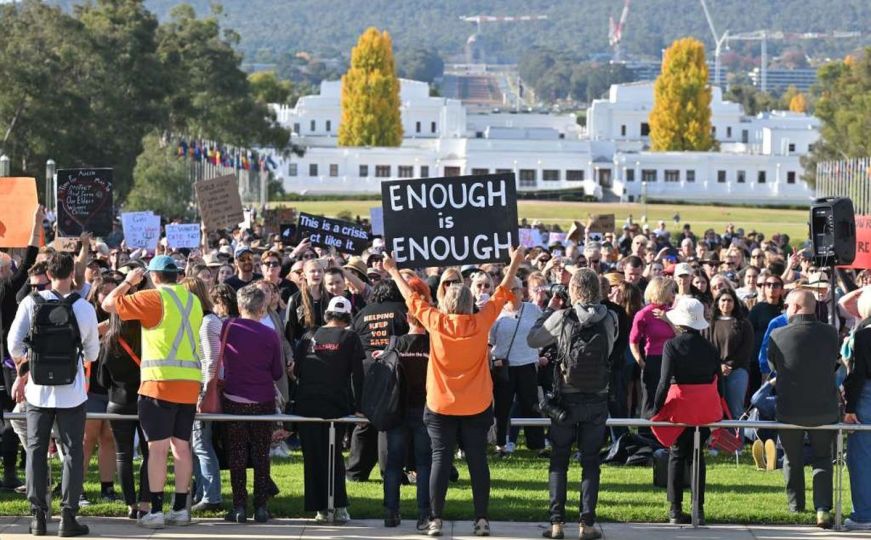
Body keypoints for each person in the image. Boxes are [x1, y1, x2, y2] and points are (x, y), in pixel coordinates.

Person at [383, 247, 525, 538]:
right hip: (477, 404)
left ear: (446, 302)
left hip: (440, 405)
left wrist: (393, 270)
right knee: (477, 462)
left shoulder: (436, 322)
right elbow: (502, 290)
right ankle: (482, 520)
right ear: (471, 301)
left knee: (439, 459)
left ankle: (435, 520)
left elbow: (411, 298)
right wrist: (514, 263)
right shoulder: (481, 321)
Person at [102, 256, 204, 529]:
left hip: (159, 383)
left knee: (157, 449)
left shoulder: (153, 298)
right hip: (189, 382)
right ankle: (181, 508)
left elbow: (107, 304)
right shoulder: (192, 300)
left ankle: (155, 510)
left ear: (154, 277)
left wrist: (128, 281)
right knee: (182, 447)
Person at [7, 251, 99, 536]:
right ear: (73, 274)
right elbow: (93, 351)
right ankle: (68, 515)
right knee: (73, 452)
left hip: (38, 392)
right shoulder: (83, 307)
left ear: (47, 274)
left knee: (35, 451)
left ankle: (37, 516)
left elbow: (14, 345)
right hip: (71, 392)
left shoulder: (30, 303)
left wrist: (27, 366)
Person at [527, 268, 617, 540]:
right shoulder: (610, 318)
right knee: (590, 462)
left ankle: (557, 524)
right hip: (598, 396)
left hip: (566, 396)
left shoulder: (562, 316)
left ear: (573, 290)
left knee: (559, 460)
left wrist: (549, 310)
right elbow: (610, 350)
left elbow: (533, 339)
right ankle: (587, 524)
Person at [767, 289, 839, 529]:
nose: (785, 308)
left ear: (796, 307)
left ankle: (795, 506)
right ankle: (822, 510)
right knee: (823, 458)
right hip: (824, 408)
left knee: (791, 459)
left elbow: (772, 365)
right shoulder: (830, 333)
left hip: (790, 409)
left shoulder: (778, 334)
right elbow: (834, 362)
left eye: (787, 305)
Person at [293, 296, 365, 524]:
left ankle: (321, 509)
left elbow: (297, 371)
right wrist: (360, 407)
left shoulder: (308, 336)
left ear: (327, 314)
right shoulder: (351, 337)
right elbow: (358, 377)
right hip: (335, 405)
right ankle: (339, 506)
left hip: (306, 404)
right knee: (333, 456)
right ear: (348, 317)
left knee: (313, 456)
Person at [651, 297, 722, 525]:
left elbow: (663, 382)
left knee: (676, 454)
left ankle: (674, 509)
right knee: (697, 456)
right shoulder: (711, 347)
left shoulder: (672, 345)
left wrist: (656, 407)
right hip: (703, 408)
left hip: (681, 406)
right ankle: (698, 510)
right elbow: (717, 379)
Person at [219, 285, 283, 523]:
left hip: (234, 397)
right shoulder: (270, 334)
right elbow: (277, 372)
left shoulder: (227, 327)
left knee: (236, 454)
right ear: (262, 308)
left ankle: (238, 507)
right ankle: (262, 507)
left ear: (239, 305)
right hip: (263, 399)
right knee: (260, 454)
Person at [383, 276, 433, 530]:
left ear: (406, 317)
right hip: (424, 409)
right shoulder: (433, 343)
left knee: (394, 464)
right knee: (424, 465)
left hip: (398, 410)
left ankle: (391, 512)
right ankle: (424, 514)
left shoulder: (396, 344)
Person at [346, 280, 409, 482]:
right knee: (388, 423)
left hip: (364, 370)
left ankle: (355, 472)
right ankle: (390, 472)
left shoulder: (363, 312)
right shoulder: (402, 310)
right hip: (391, 369)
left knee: (364, 422)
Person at [0, 205, 43, 491]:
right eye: (9, 268)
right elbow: (29, 259)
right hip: (8, 365)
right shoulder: (6, 292)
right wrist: (37, 223)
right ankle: (11, 474)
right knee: (12, 418)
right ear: (4, 272)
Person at [97, 305, 149, 520]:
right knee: (149, 454)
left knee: (123, 455)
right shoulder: (147, 339)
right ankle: (146, 502)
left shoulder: (108, 342)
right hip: (145, 400)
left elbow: (102, 380)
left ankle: (130, 504)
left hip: (118, 402)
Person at [191, 283, 237, 512]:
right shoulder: (206, 321)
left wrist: (204, 392)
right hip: (199, 387)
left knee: (201, 444)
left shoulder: (208, 322)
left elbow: (212, 360)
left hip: (204, 389)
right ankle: (202, 492)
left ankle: (211, 495)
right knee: (197, 444)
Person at [490, 277, 545, 457]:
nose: (513, 293)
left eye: (516, 289)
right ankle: (501, 444)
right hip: (504, 367)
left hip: (527, 363)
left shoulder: (533, 310)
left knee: (531, 405)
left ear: (523, 291)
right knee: (503, 407)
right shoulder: (496, 312)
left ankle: (537, 444)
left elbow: (542, 332)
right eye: (509, 290)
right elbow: (490, 342)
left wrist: (539, 353)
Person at [703, 288, 754, 424]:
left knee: (736, 411)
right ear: (717, 303)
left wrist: (730, 365)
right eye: (723, 300)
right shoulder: (708, 324)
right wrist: (718, 365)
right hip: (714, 372)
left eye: (730, 300)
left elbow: (746, 349)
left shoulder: (744, 323)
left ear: (735, 303)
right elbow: (706, 348)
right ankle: (717, 445)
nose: (726, 303)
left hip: (737, 371)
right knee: (714, 410)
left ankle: (737, 444)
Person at [629, 277, 676, 421]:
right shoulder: (643, 314)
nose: (673, 294)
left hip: (671, 361)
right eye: (671, 290)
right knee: (650, 399)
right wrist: (640, 362)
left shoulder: (673, 312)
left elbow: (681, 335)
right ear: (661, 291)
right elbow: (633, 340)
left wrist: (667, 319)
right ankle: (645, 435)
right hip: (652, 360)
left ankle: (666, 437)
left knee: (669, 399)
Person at [843, 289, 871, 531]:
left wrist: (850, 407)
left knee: (861, 457)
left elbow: (857, 374)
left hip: (867, 396)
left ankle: (863, 515)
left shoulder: (863, 335)